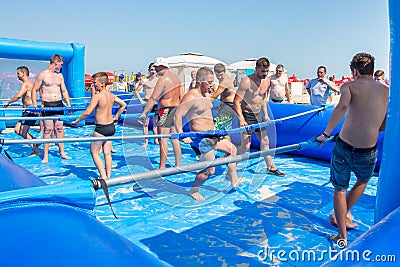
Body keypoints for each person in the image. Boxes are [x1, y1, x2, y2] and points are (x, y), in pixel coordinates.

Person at [316, 53, 388, 247]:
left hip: (345, 146)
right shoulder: (386, 90)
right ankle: (343, 213)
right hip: (368, 149)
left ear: (355, 71)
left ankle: (342, 235)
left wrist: (325, 133)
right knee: (363, 180)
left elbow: (342, 107)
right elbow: (384, 124)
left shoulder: (349, 86)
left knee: (340, 189)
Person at [174, 67, 244, 200]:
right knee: (209, 170)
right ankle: (194, 190)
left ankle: (232, 178)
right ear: (200, 81)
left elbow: (206, 113)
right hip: (201, 138)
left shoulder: (206, 95)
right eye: (209, 82)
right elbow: (178, 116)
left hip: (213, 134)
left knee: (232, 150)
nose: (212, 84)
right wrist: (183, 135)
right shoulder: (190, 96)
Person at [234, 57, 285, 177]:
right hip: (246, 115)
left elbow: (263, 99)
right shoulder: (246, 81)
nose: (265, 74)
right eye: (262, 71)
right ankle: (232, 164)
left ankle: (271, 167)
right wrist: (241, 119)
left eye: (267, 71)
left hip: (258, 115)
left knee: (265, 141)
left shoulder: (267, 81)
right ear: (256, 69)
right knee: (245, 146)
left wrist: (265, 114)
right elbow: (236, 101)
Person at [72, 72, 126, 178]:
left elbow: (87, 112)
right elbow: (123, 105)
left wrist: (76, 121)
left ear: (102, 83)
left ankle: (103, 176)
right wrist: (116, 117)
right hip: (111, 127)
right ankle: (109, 176)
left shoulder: (98, 96)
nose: (93, 85)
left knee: (94, 152)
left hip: (101, 129)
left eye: (94, 82)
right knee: (107, 153)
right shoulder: (111, 95)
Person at [139, 57, 183, 169]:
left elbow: (153, 97)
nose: (156, 68)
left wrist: (144, 112)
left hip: (165, 111)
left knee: (163, 139)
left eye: (157, 66)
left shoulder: (163, 79)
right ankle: (178, 164)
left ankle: (162, 166)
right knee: (175, 138)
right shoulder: (176, 79)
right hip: (176, 109)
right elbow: (181, 96)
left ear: (163, 66)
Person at [31, 54, 72, 164]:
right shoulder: (43, 75)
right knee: (48, 130)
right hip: (47, 104)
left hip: (59, 104)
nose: (62, 66)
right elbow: (34, 90)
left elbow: (64, 91)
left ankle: (62, 152)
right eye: (61, 64)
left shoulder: (60, 76)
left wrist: (68, 105)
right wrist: (35, 106)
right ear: (56, 62)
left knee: (59, 129)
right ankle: (45, 156)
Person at [3, 66, 40, 156]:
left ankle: (36, 151)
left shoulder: (26, 84)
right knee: (17, 130)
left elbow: (18, 96)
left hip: (30, 110)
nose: (17, 76)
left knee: (23, 132)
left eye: (18, 73)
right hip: (27, 111)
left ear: (23, 73)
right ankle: (36, 141)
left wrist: (8, 102)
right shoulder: (29, 83)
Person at [135, 63, 159, 148]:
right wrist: (141, 100)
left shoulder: (159, 80)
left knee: (156, 124)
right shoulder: (144, 80)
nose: (153, 71)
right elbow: (136, 91)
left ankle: (156, 140)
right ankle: (146, 142)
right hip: (146, 102)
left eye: (154, 70)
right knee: (145, 124)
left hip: (156, 103)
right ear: (148, 70)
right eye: (151, 70)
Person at [211, 63, 237, 131]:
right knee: (225, 131)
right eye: (217, 75)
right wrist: (220, 106)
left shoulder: (225, 82)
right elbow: (222, 95)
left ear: (225, 72)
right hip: (226, 106)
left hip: (229, 107)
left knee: (215, 125)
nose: (219, 77)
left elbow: (214, 97)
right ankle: (227, 141)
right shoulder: (222, 79)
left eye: (221, 75)